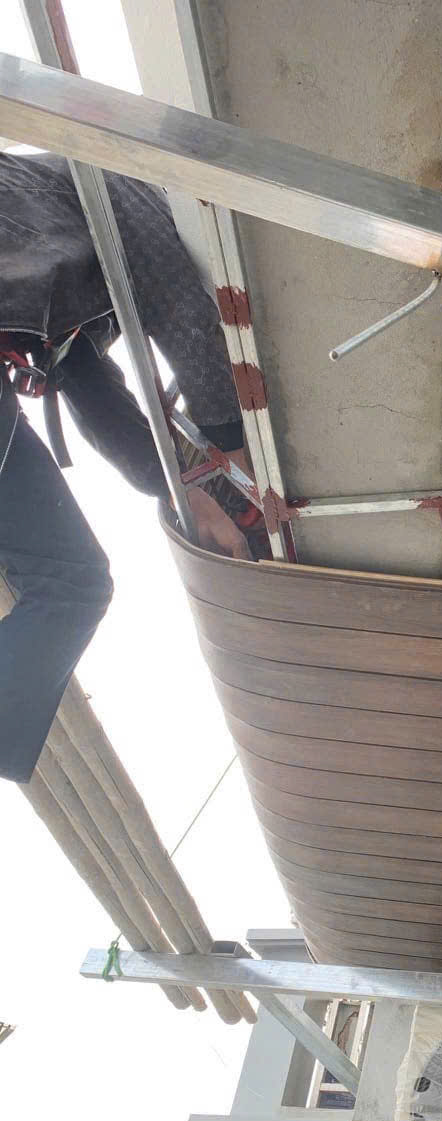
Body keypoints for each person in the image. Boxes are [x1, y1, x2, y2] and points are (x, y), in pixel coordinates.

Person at [0, 150, 251, 786]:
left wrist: (181, 490)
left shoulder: (54, 250)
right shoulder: (114, 177)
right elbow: (179, 309)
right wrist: (233, 441)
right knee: (68, 588)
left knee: (73, 589)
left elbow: (83, 376)